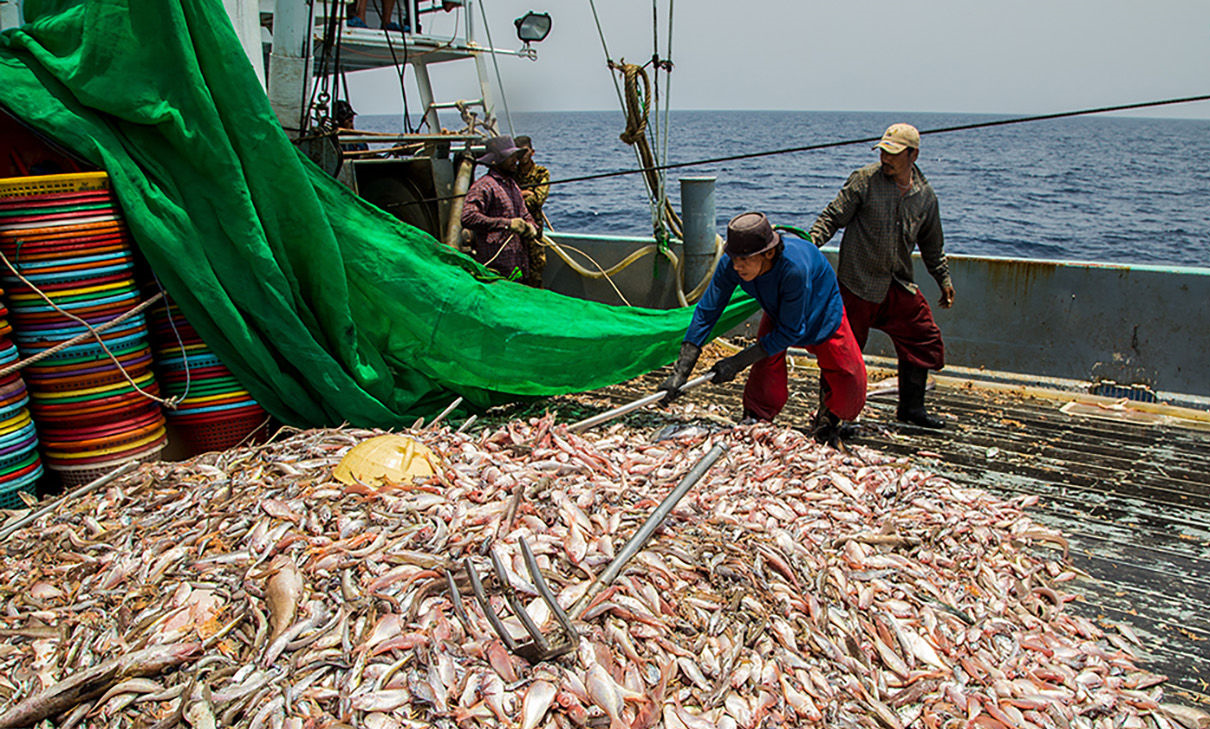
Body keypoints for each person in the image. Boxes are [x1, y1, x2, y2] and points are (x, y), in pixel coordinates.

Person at [660, 212, 868, 445]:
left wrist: (737, 362)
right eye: (734, 258)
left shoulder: (794, 268)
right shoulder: (733, 263)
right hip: (779, 307)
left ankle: (829, 419)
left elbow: (791, 331)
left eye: (745, 259)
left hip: (821, 305)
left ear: (768, 253)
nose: (737, 266)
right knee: (766, 367)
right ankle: (756, 418)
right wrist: (681, 370)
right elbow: (708, 311)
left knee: (847, 374)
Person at [808, 123, 956, 429]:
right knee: (841, 349)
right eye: (883, 152)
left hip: (897, 283)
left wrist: (943, 279)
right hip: (857, 283)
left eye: (893, 153)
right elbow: (832, 217)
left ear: (913, 154)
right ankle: (830, 417)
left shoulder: (925, 197)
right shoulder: (865, 180)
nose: (885, 159)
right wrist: (807, 248)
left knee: (923, 338)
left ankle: (911, 409)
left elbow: (932, 245)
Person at [460, 136, 539, 283]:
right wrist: (507, 224)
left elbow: (525, 214)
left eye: (516, 156)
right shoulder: (484, 186)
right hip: (495, 271)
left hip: (518, 269)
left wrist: (530, 227)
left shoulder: (513, 186)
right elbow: (468, 217)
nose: (515, 161)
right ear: (496, 160)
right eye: (511, 157)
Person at [513, 135, 550, 288]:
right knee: (515, 274)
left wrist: (516, 196)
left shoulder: (541, 173)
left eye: (525, 151)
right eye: (518, 152)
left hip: (533, 231)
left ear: (532, 152)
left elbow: (537, 199)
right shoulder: (511, 173)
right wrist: (524, 193)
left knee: (536, 273)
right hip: (513, 232)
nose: (522, 156)